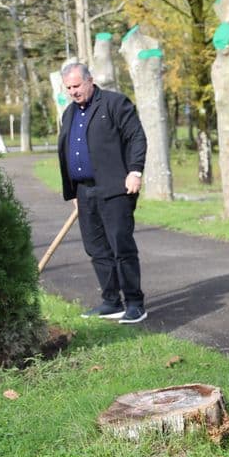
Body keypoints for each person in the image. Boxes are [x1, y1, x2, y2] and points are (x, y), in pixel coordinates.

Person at [57, 62, 148, 323]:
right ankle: (111, 301)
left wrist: (135, 171)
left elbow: (136, 138)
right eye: (69, 88)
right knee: (96, 248)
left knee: (121, 245)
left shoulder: (115, 103)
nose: (73, 92)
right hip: (84, 191)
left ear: (90, 81)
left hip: (115, 187)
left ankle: (134, 303)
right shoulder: (69, 113)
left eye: (77, 86)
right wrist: (73, 190)